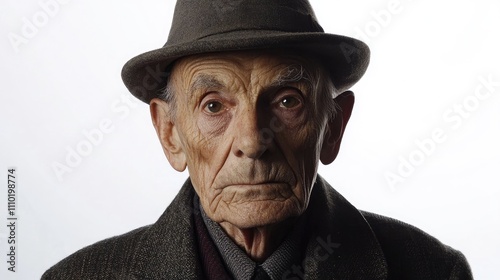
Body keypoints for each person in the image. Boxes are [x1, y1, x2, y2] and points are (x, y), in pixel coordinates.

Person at [42, 0, 473, 279]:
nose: (252, 139)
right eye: (214, 106)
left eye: (287, 101)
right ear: (170, 133)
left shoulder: (433, 271)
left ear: (333, 127)